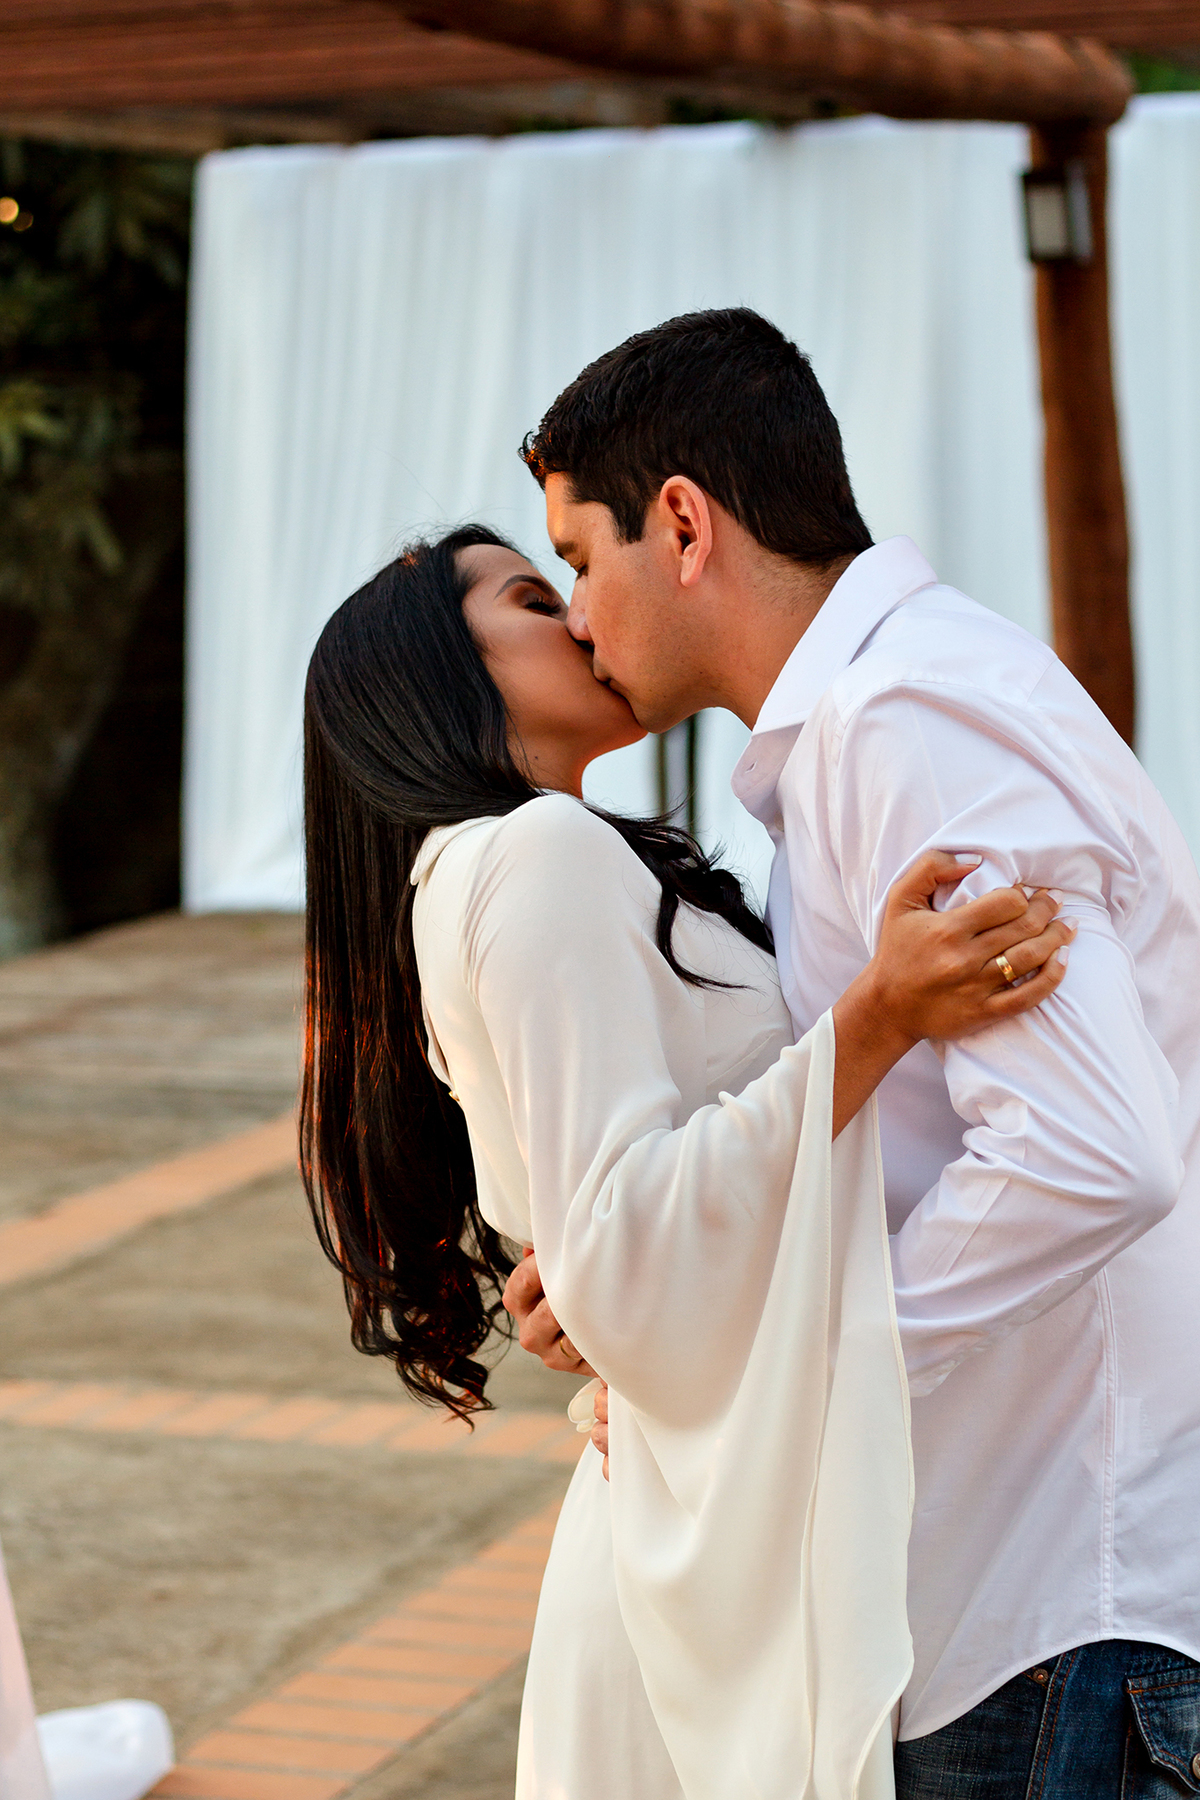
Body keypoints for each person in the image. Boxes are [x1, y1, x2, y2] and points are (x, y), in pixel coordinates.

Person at [507, 306, 1200, 1799]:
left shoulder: (910, 719)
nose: (575, 616)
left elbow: (1095, 1157)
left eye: (576, 558)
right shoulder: (852, 741)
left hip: (1062, 1609)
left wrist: (778, 1385)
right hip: (1005, 1596)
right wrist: (651, 1278)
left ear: (682, 524)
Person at [299, 524, 1071, 1800]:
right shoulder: (533, 855)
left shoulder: (500, 868)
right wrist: (876, 1019)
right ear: (439, 670)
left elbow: (603, 1240)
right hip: (692, 1560)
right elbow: (627, 1240)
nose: (589, 617)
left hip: (699, 1515)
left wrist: (592, 1290)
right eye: (541, 597)